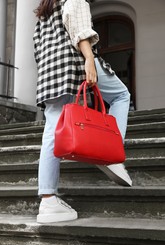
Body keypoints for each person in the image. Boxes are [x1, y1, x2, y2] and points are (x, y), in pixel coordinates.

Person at [33, 0, 132, 224]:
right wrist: (89, 58)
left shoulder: (43, 14)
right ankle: (113, 152)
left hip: (49, 73)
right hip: (74, 61)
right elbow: (79, 29)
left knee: (51, 131)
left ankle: (47, 199)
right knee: (120, 95)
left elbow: (38, 49)